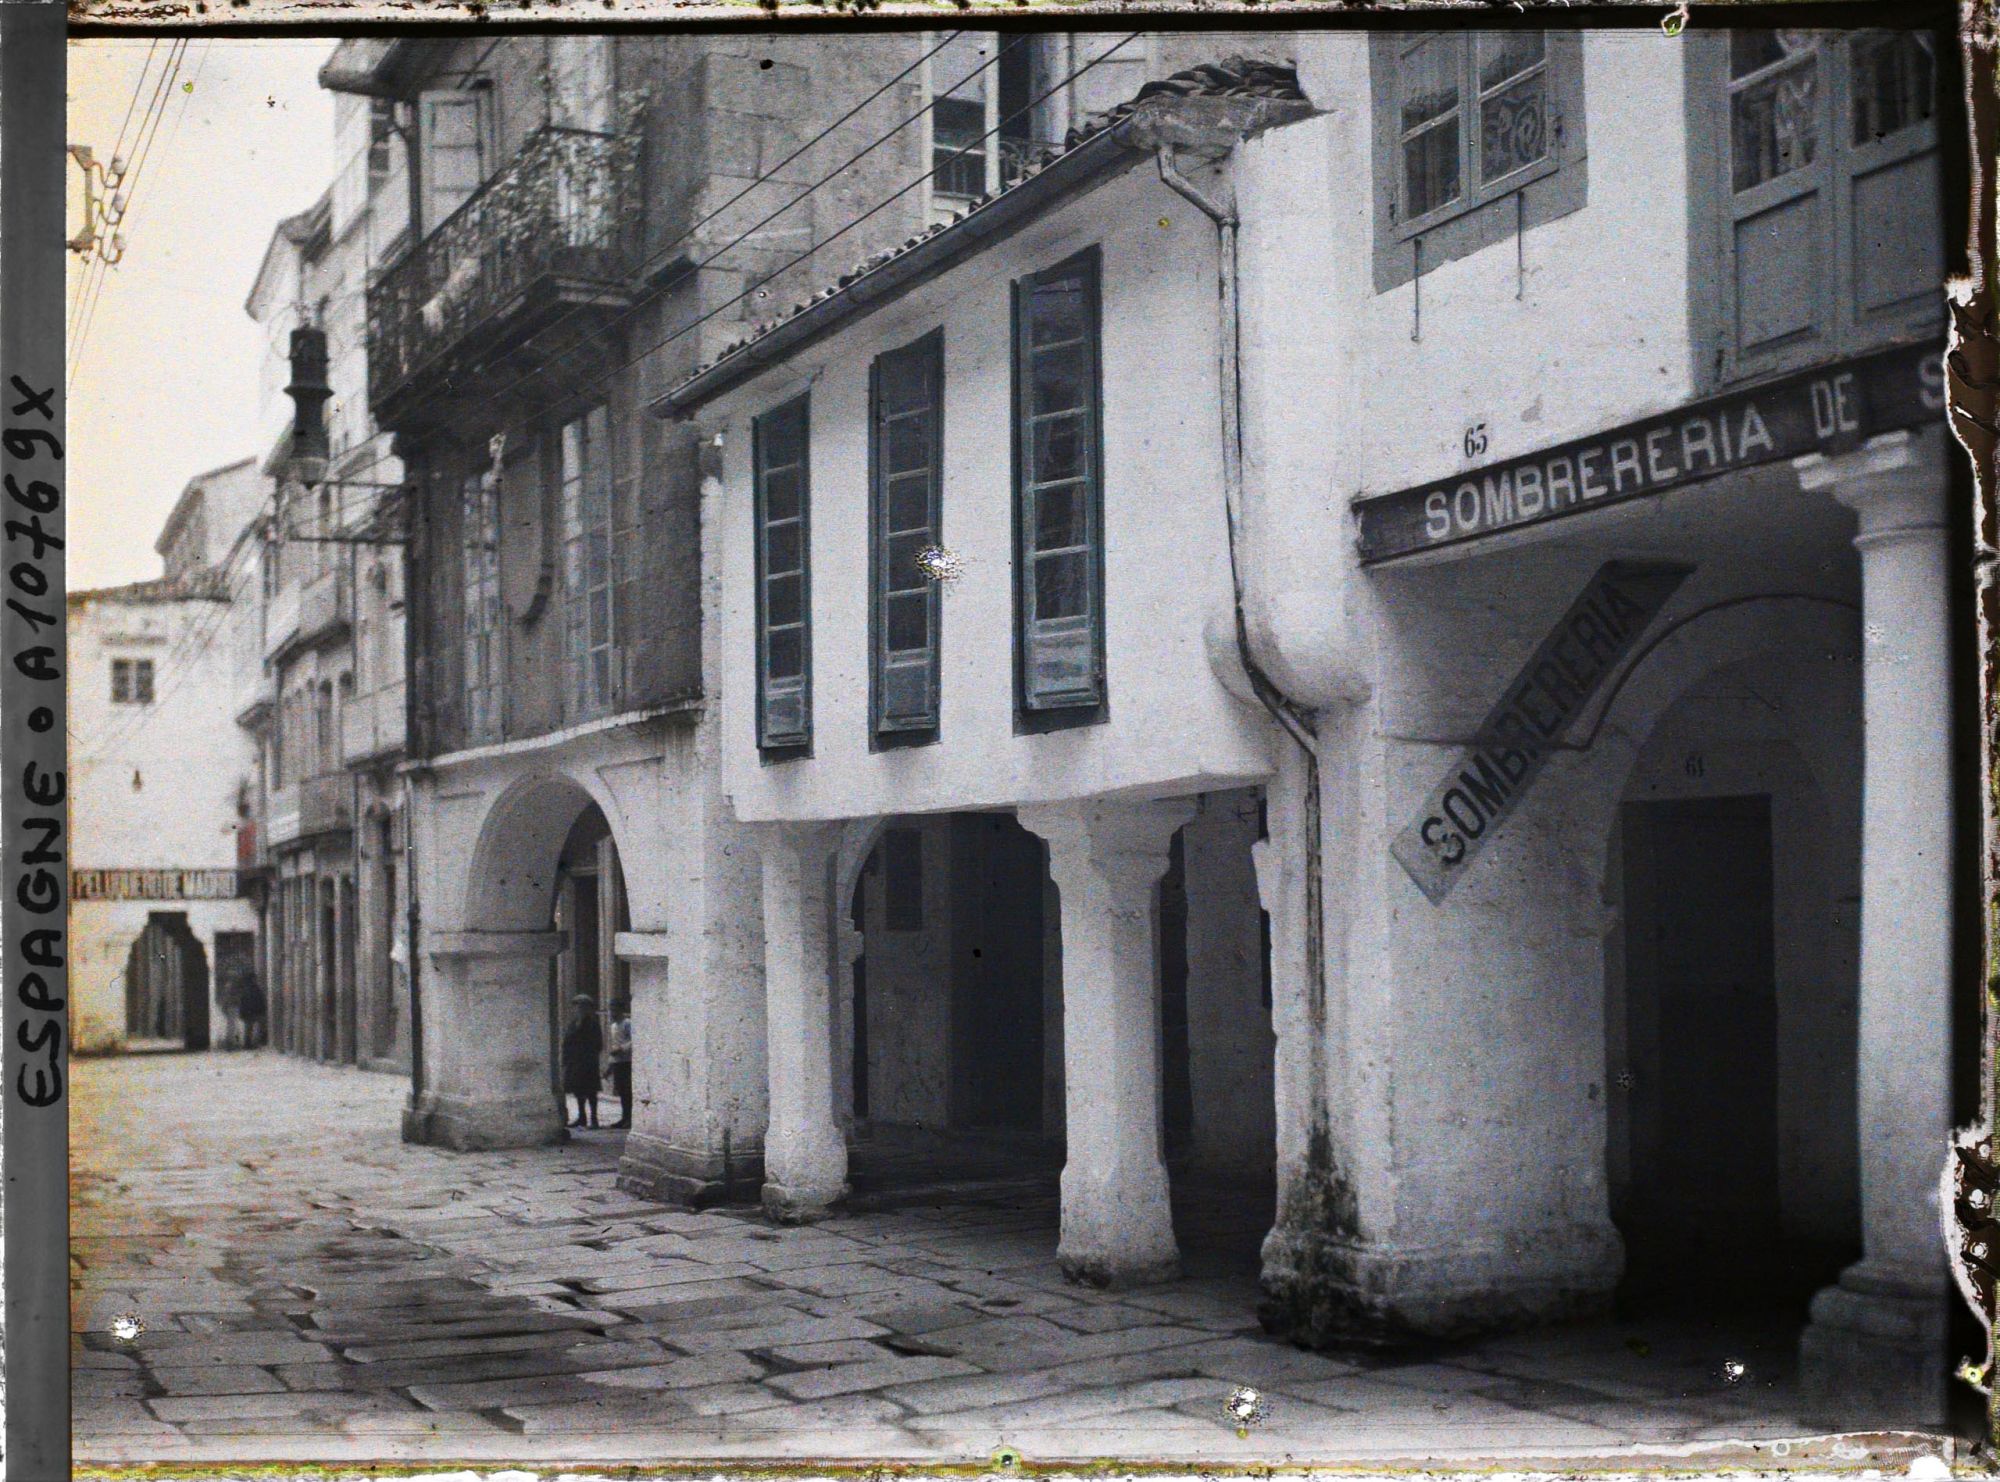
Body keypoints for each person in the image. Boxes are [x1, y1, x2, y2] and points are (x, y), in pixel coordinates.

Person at [561, 994, 603, 1129]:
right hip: (574, 1062)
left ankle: (594, 1119)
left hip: (588, 1062)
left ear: (588, 1008)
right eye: (577, 1006)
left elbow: (598, 1044)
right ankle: (582, 1117)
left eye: (581, 1006)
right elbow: (567, 1042)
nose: (578, 1009)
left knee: (591, 1092)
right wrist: (566, 1059)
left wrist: (588, 1055)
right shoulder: (573, 1024)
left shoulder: (593, 1024)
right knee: (578, 1090)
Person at [607, 997, 633, 1129]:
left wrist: (622, 1048)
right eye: (611, 1009)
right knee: (621, 1091)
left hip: (627, 1061)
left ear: (621, 1010)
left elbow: (634, 1040)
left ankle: (630, 1118)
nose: (612, 1012)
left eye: (615, 1009)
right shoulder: (613, 1026)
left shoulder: (627, 1023)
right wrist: (610, 1063)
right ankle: (624, 1117)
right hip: (617, 1061)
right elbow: (613, 1045)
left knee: (628, 1091)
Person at [236, 969, 267, 1050]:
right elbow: (260, 999)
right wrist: (263, 1010)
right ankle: (255, 1043)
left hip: (249, 1012)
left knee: (249, 1029)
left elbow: (242, 1002)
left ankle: (248, 1044)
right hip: (254, 1011)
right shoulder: (254, 988)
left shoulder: (246, 988)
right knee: (256, 1027)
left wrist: (241, 1012)